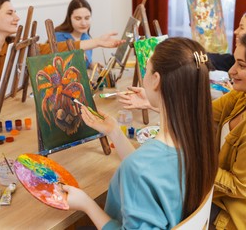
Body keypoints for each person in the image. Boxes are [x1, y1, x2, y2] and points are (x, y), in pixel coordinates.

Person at [118, 30, 246, 229]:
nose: (231, 71)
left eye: (241, 66)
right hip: (218, 198)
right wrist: (157, 100)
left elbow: (239, 188)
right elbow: (201, 113)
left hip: (229, 217)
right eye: (235, 61)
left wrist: (196, 163)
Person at [60, 37, 218, 229]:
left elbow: (142, 172)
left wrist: (87, 204)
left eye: (147, 70)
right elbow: (149, 172)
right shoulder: (201, 141)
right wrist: (115, 132)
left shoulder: (138, 169)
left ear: (156, 80)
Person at [0, 0, 123, 114]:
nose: (17, 17)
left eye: (16, 12)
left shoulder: (15, 48)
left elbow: (54, 48)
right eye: (10, 13)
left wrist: (96, 42)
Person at [55, 0, 101, 70]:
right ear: (69, 18)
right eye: (78, 18)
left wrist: (91, 64)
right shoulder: (58, 37)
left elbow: (85, 62)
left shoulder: (86, 37)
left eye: (87, 18)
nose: (83, 23)